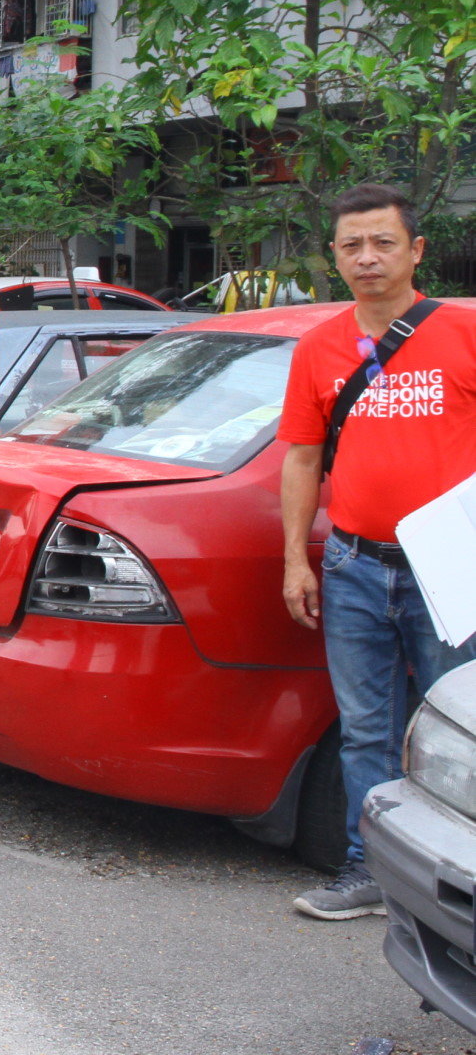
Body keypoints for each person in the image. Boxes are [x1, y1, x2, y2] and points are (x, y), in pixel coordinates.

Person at [279, 184, 476, 920]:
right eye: (352, 245)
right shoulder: (319, 348)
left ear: (416, 250)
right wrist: (297, 558)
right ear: (334, 256)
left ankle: (456, 877)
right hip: (355, 564)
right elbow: (301, 459)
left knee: (456, 726)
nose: (368, 257)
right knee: (367, 730)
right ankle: (371, 871)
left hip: (450, 571)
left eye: (383, 242)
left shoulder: (460, 335)